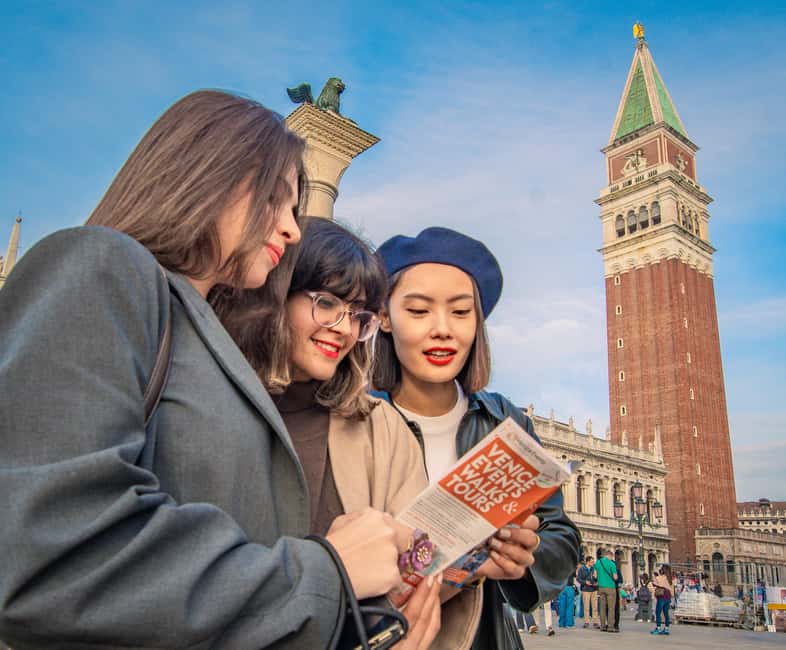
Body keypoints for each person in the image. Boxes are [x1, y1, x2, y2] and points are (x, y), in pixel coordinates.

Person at [0, 90, 408, 648]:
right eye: (277, 199)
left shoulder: (206, 338)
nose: (292, 230)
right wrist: (327, 572)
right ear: (211, 175)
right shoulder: (102, 265)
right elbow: (49, 554)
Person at [220, 216, 445, 647]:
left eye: (358, 315)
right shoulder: (210, 404)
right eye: (326, 303)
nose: (344, 328)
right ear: (275, 294)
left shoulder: (382, 427)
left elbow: (421, 564)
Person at [371, 226, 582, 649]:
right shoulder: (356, 419)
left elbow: (562, 536)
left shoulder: (505, 421)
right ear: (384, 317)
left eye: (460, 312)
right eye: (419, 311)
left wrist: (525, 556)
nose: (442, 329)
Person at [595, 549, 619, 632]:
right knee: (611, 608)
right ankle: (610, 626)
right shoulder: (611, 563)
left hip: (601, 587)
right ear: (610, 555)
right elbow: (615, 577)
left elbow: (595, 575)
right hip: (610, 587)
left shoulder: (598, 562)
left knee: (602, 607)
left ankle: (602, 626)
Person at [577, 555, 600, 628]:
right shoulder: (582, 569)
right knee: (586, 607)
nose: (593, 563)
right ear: (587, 562)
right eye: (592, 562)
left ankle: (595, 622)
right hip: (586, 589)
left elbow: (597, 578)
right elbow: (578, 579)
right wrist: (585, 582)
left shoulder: (594, 568)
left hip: (594, 589)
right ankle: (586, 622)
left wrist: (596, 578)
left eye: (593, 562)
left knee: (595, 607)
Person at [651, 564, 673, 635]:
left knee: (658, 612)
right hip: (668, 596)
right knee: (666, 613)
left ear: (663, 570)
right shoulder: (670, 578)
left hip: (662, 595)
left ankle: (658, 628)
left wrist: (654, 575)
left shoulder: (660, 578)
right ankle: (666, 629)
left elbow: (654, 583)